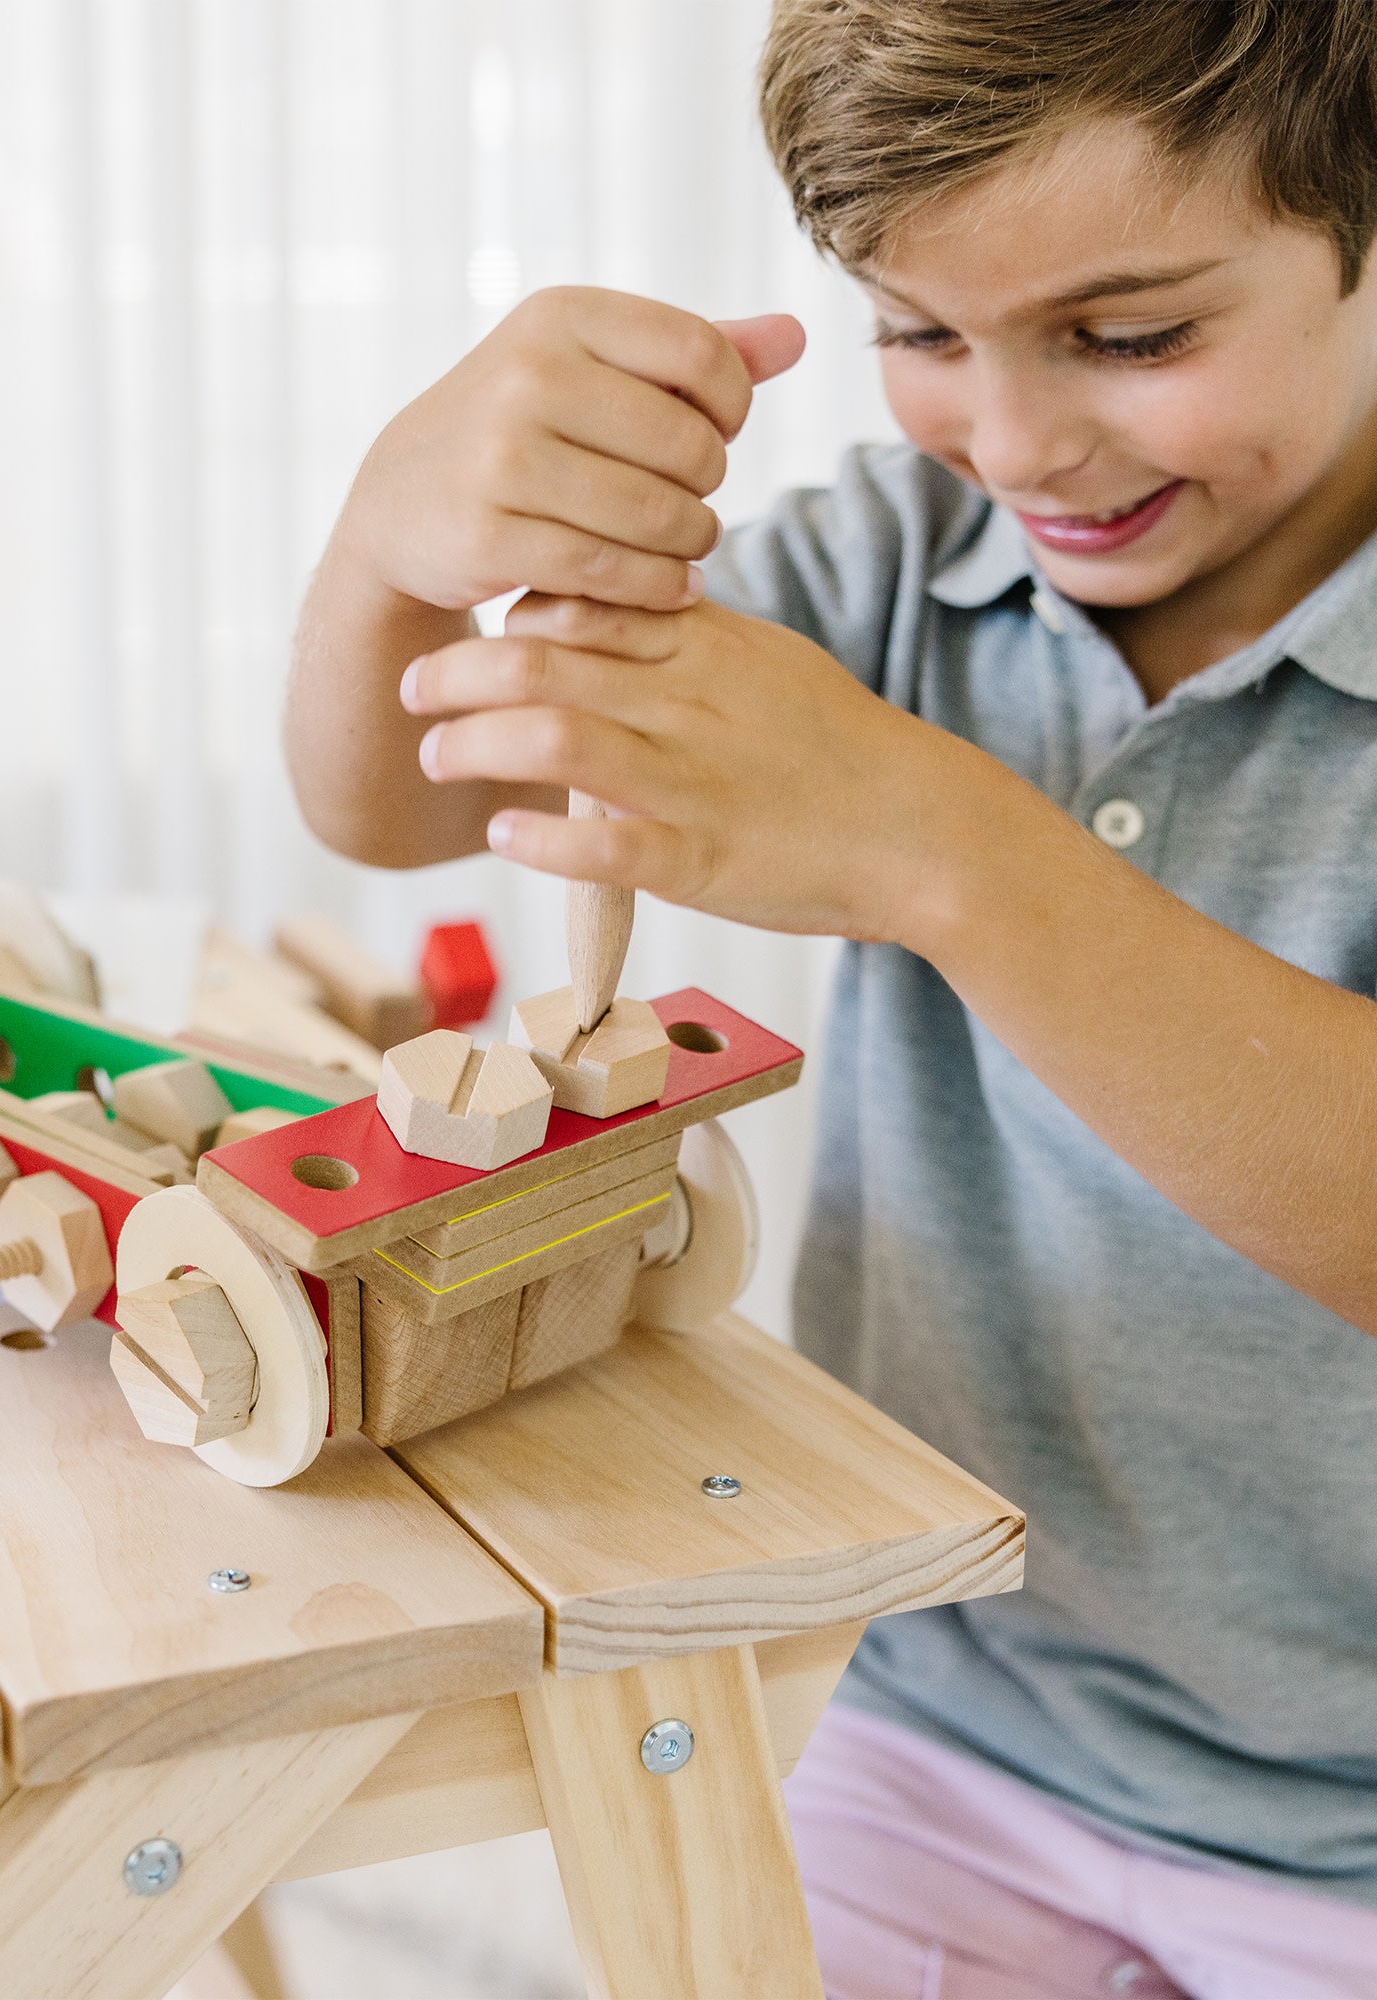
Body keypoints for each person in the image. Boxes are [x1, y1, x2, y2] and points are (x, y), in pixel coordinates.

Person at [283, 3, 1377, 1994]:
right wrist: (392, 538)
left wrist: (933, 847)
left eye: (1131, 336)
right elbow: (392, 802)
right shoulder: (898, 563)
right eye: (921, 332)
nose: (1016, 441)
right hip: (952, 1721)